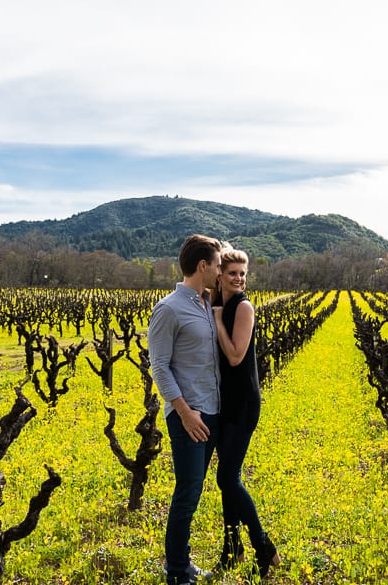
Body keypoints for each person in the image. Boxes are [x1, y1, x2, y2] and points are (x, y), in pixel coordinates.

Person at [149, 234, 223, 585]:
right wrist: (184, 412)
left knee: (194, 491)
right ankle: (176, 572)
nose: (222, 271)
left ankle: (182, 562)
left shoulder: (208, 303)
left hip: (210, 410)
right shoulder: (168, 308)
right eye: (218, 265)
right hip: (188, 415)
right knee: (188, 492)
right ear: (203, 265)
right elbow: (159, 367)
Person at [212, 246, 281, 578]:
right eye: (233, 273)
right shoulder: (215, 302)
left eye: (243, 274)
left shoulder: (243, 307)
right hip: (222, 402)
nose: (239, 279)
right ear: (220, 275)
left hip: (243, 402)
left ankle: (262, 545)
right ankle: (231, 549)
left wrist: (216, 321)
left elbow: (236, 356)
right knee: (228, 479)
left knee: (226, 477)